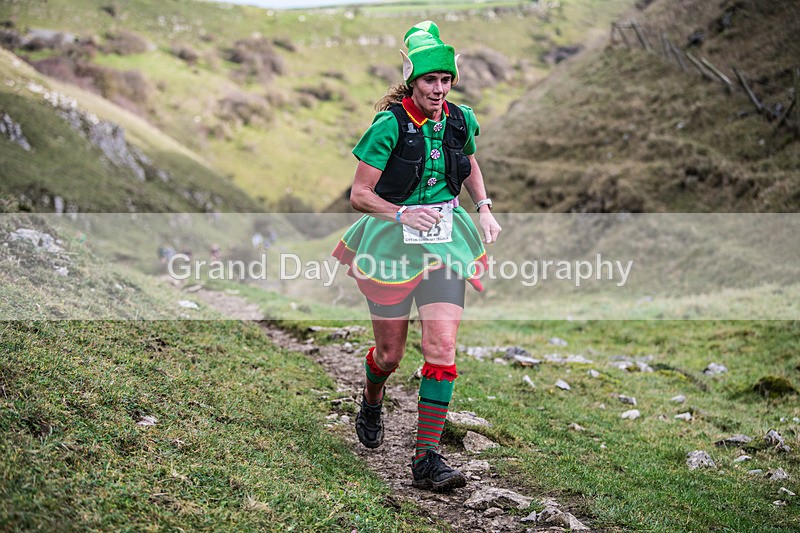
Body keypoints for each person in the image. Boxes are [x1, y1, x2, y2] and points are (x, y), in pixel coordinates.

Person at [332, 20, 502, 491]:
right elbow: (360, 195)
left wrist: (484, 207)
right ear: (413, 80)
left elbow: (468, 162)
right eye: (431, 80)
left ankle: (426, 459)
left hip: (446, 242)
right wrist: (403, 214)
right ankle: (371, 397)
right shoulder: (389, 125)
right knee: (389, 355)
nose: (439, 89)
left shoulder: (461, 119)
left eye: (446, 80)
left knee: (442, 348)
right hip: (390, 243)